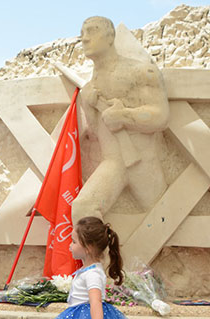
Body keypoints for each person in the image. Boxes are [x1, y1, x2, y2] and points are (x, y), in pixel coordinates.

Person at [72, 16, 169, 223]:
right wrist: (89, 105)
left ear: (110, 37)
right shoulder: (92, 84)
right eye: (82, 34)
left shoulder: (142, 71)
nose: (85, 39)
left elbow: (161, 116)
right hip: (113, 163)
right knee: (83, 208)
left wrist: (125, 116)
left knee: (165, 223)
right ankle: (99, 257)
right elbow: (97, 133)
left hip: (142, 162)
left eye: (92, 31)